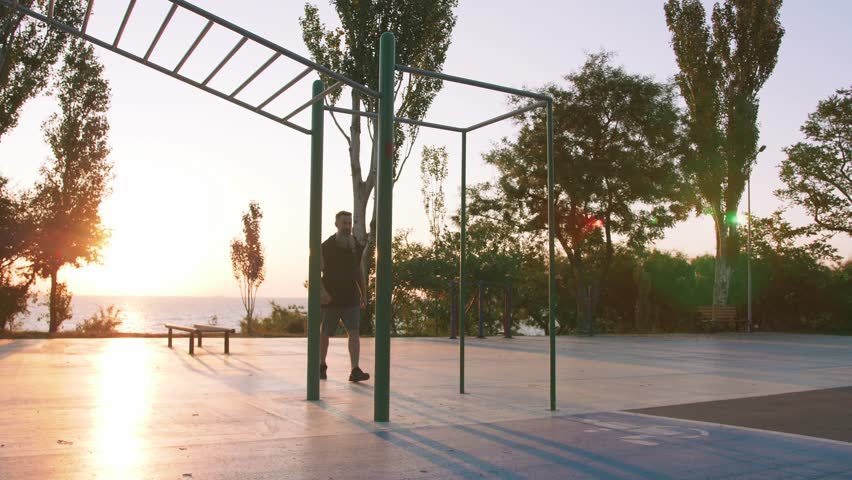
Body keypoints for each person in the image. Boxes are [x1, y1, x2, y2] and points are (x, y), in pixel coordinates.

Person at [319, 210, 370, 382]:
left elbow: (359, 271)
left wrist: (364, 294)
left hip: (351, 297)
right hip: (331, 298)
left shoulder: (355, 246)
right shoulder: (325, 247)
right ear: (336, 225)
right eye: (344, 223)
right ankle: (321, 366)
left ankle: (355, 370)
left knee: (354, 333)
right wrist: (322, 291)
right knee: (325, 333)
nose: (347, 227)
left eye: (349, 223)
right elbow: (315, 272)